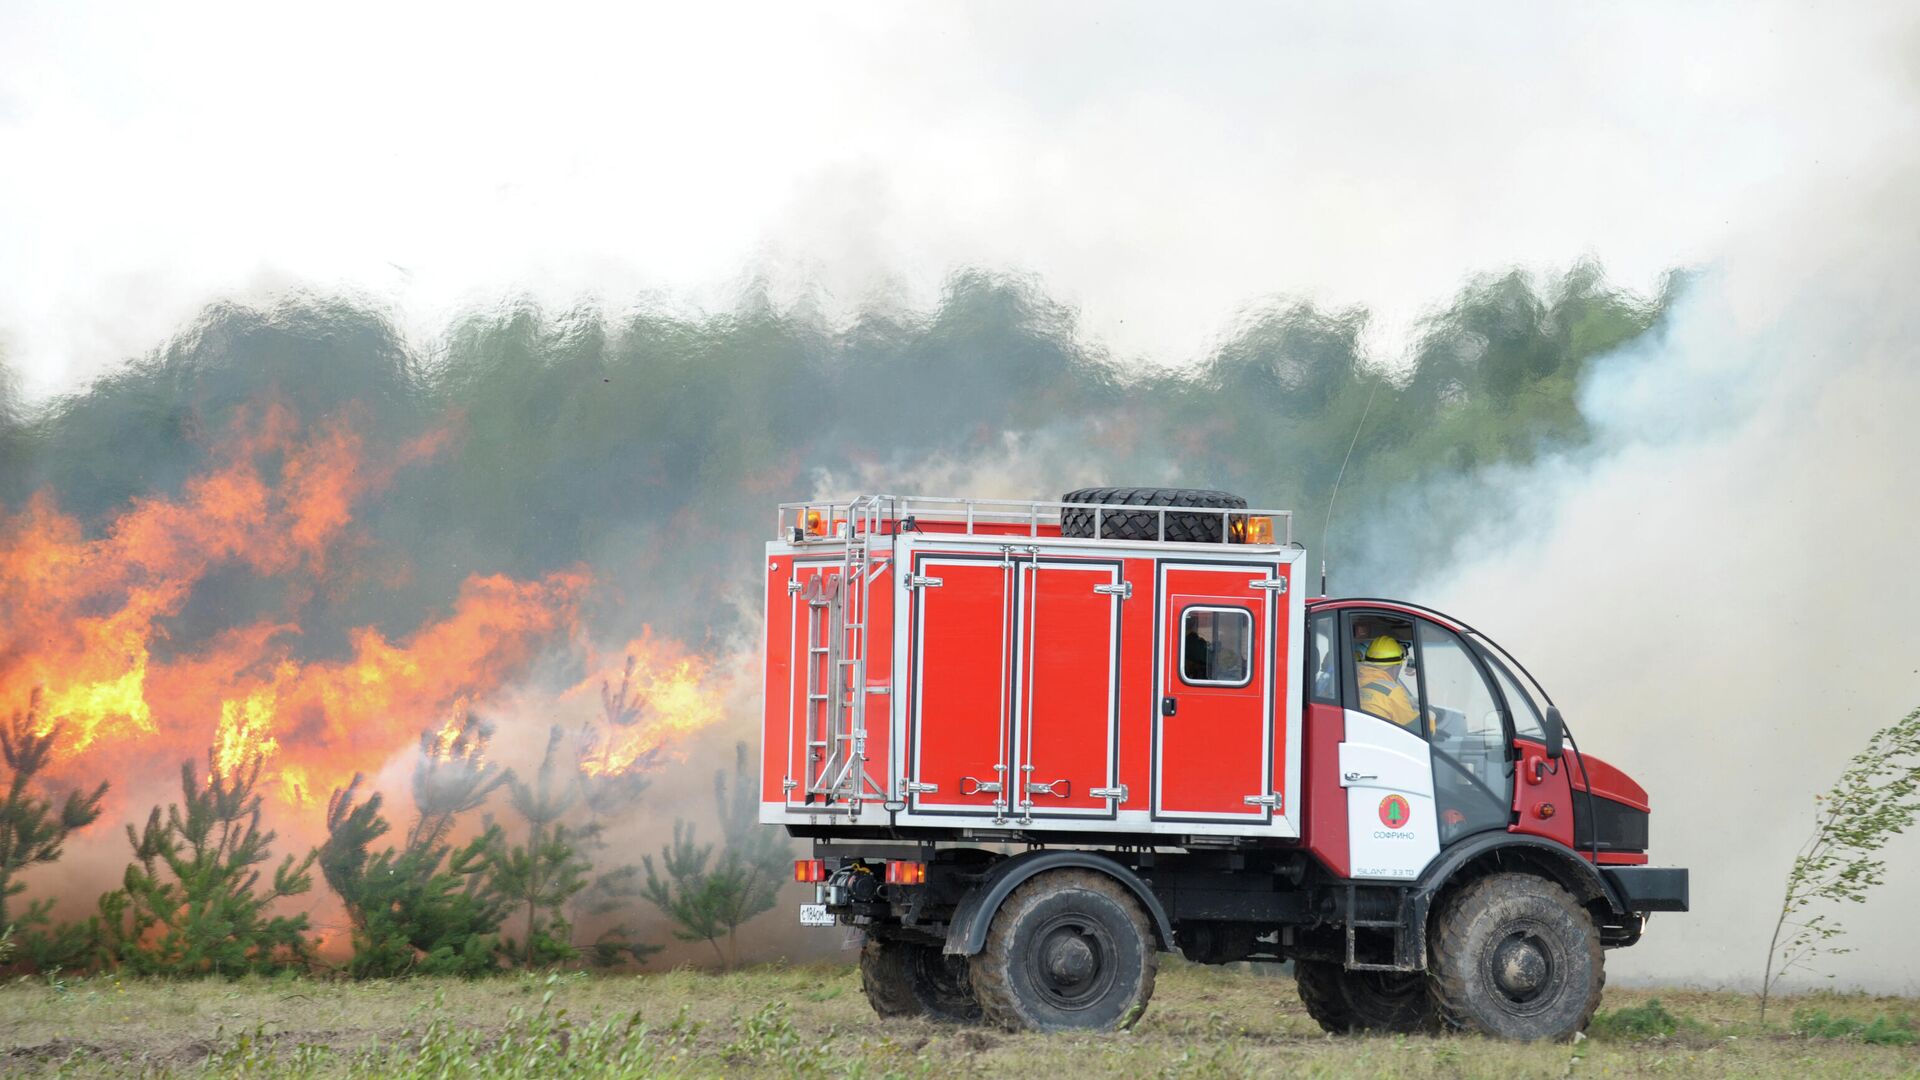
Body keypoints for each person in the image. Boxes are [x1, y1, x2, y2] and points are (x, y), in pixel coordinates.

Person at [1355, 635, 1421, 730]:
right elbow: (1413, 727)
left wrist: (1408, 701)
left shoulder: (1355, 680)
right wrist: (1431, 717)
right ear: (1396, 666)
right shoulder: (1392, 691)